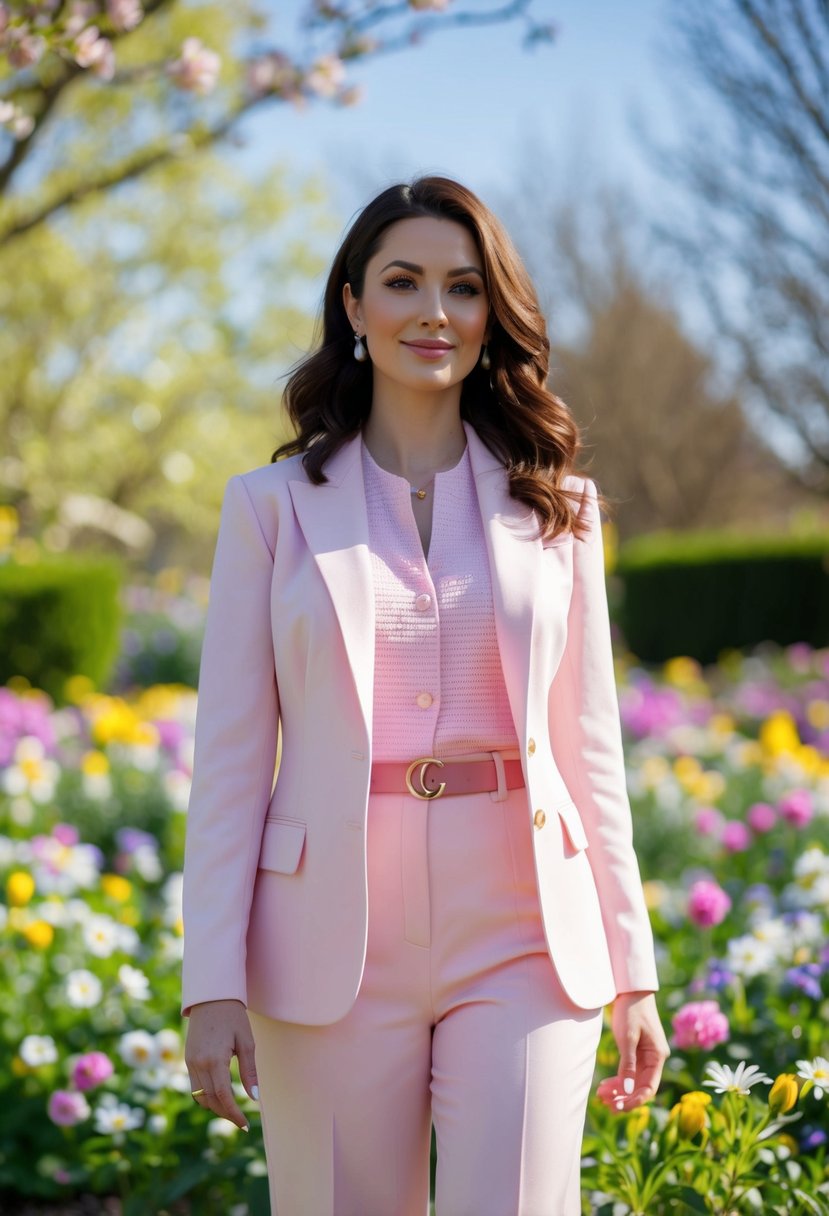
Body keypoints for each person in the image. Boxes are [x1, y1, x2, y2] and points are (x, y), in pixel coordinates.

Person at [181, 174, 670, 1216]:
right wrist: (209, 979)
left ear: (492, 314)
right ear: (354, 305)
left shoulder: (561, 508)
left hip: (528, 929)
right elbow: (229, 759)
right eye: (402, 281)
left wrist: (634, 965)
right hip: (326, 940)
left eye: (462, 286)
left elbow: (590, 752)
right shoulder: (267, 510)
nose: (433, 311)